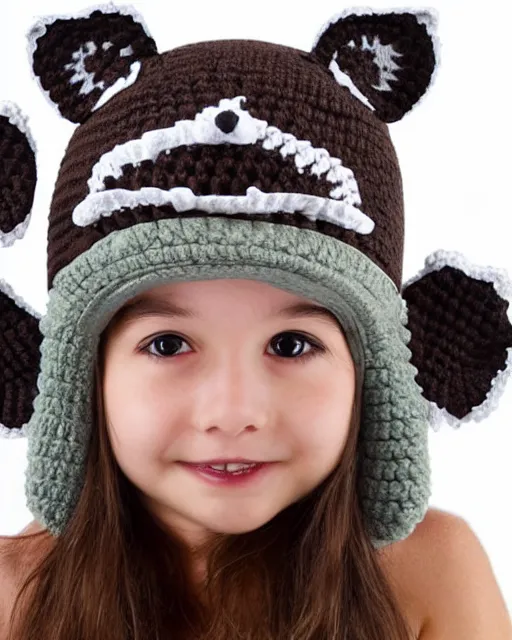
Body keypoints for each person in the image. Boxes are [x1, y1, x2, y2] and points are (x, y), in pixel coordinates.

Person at [1, 4, 511, 639]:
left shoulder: (431, 571)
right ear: (84, 372)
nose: (233, 411)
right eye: (167, 343)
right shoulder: (16, 597)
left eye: (292, 343)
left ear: (373, 370)